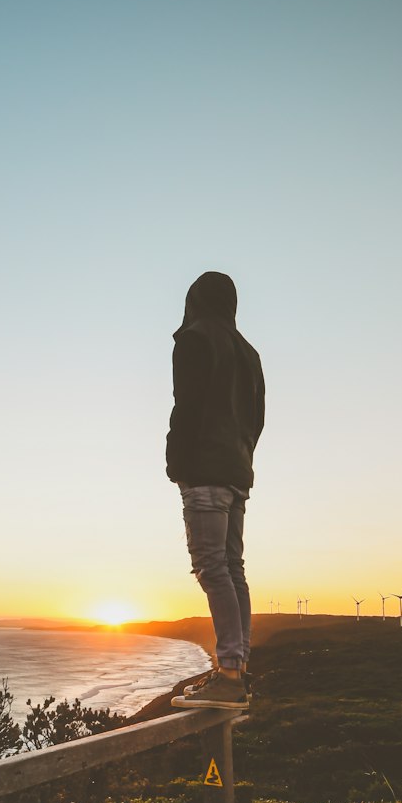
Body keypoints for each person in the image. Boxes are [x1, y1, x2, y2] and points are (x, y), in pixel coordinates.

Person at [166, 271, 265, 711]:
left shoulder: (194, 339)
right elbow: (257, 418)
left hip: (205, 466)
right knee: (232, 566)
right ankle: (236, 669)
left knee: (211, 566)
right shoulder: (250, 353)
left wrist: (178, 464)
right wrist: (241, 455)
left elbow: (185, 405)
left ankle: (227, 673)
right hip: (237, 470)